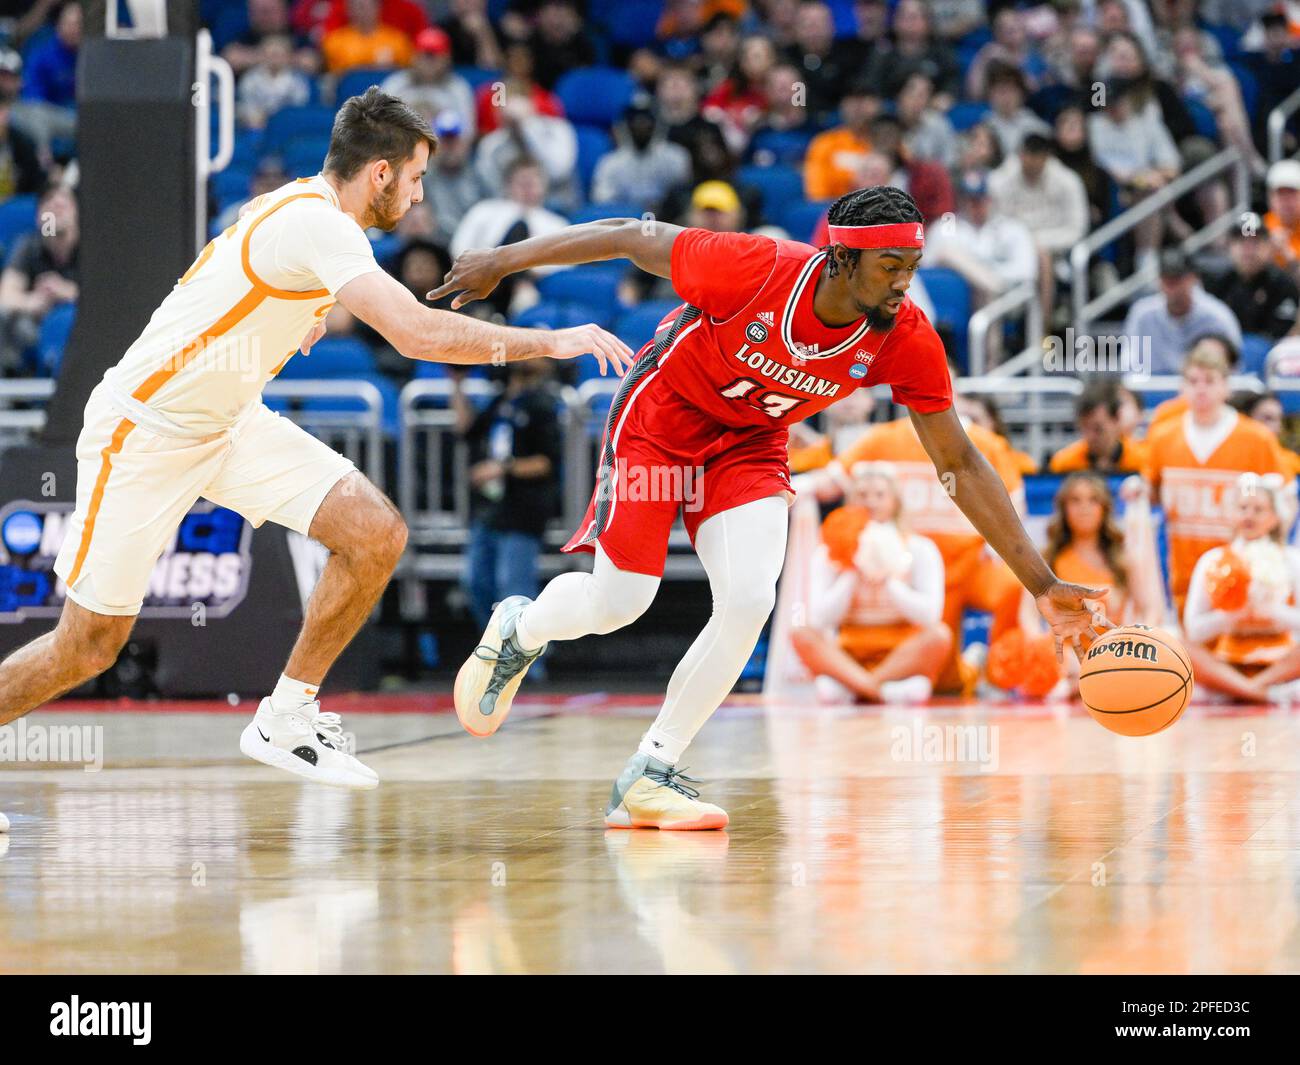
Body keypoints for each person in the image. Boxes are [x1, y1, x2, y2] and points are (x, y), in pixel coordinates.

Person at [0, 89, 632, 798]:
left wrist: (285, 320)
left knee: (375, 533)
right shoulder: (315, 224)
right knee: (88, 645)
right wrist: (549, 341)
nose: (422, 193)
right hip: (144, 433)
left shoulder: (301, 209)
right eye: (417, 176)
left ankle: (288, 715)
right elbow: (416, 333)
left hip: (230, 421)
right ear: (382, 173)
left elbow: (242, 275)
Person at [431, 184, 1104, 831]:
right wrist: (503, 260)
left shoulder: (907, 336)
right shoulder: (757, 267)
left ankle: (650, 772)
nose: (905, 283)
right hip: (662, 420)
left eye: (912, 267)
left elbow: (958, 463)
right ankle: (520, 628)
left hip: (749, 445)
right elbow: (628, 236)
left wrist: (1042, 584)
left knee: (751, 598)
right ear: (842, 258)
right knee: (621, 601)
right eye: (890, 266)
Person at [1140, 342, 1287, 617]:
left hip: (1244, 577)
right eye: (1193, 381)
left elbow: (1283, 501)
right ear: (1182, 387)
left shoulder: (1256, 438)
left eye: (1210, 381)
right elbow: (1150, 493)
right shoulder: (1163, 437)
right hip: (1181, 577)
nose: (1201, 389)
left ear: (1226, 386)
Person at [790, 464, 951, 704]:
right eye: (862, 496)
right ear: (851, 500)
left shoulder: (921, 549)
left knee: (940, 636)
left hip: (901, 652)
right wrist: (852, 570)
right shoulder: (828, 553)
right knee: (800, 633)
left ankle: (855, 687)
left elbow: (930, 615)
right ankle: (882, 690)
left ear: (895, 501)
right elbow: (820, 618)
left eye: (879, 495)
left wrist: (888, 576)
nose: (871, 503)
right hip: (849, 652)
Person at [452, 360, 563, 631]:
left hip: (523, 511)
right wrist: (457, 382)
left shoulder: (542, 405)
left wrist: (502, 468)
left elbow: (546, 462)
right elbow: (466, 429)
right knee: (475, 582)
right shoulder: (500, 400)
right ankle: (495, 651)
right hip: (489, 510)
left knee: (514, 590)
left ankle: (528, 664)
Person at [1182, 474, 1300, 702]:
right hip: (1228, 661)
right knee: (1176, 643)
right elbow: (1194, 629)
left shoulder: (1291, 559)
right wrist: (1235, 615)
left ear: (1275, 517)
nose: (1249, 515)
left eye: (1258, 509)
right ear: (1232, 514)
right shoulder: (1213, 560)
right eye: (1243, 508)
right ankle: (1262, 693)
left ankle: (1243, 690)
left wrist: (1270, 611)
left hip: (1281, 661)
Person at [1122, 248, 1242, 375]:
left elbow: (1234, 368)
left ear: (1194, 278)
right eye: (1167, 279)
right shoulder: (1142, 314)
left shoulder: (1217, 316)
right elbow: (1129, 365)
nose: (1172, 286)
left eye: (1178, 279)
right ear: (1159, 280)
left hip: (1203, 388)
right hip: (1153, 389)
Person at [0, 183, 78, 373]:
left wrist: (67, 292)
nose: (56, 204)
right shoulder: (30, 246)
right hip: (35, 329)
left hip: (81, 330)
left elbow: (110, 297)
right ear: (39, 217)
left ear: (78, 213)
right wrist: (33, 302)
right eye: (49, 202)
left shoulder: (92, 247)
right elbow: (5, 296)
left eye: (64, 202)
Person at [591, 94, 691, 212]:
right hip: (626, 223)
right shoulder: (610, 163)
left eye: (646, 120)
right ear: (624, 126)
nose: (641, 124)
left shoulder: (675, 157)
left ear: (658, 124)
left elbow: (685, 197)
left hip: (669, 222)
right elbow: (602, 203)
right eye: (635, 121)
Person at [1205, 223, 1300, 342]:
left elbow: (1283, 331)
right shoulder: (1219, 280)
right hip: (1225, 347)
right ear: (1229, 247)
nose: (1248, 250)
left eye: (1256, 243)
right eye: (1241, 242)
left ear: (1269, 247)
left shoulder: (1282, 283)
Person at [380, 26, 475, 138]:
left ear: (446, 59)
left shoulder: (458, 88)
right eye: (424, 55)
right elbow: (379, 127)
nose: (428, 61)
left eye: (433, 56)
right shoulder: (396, 84)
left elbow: (466, 134)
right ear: (414, 56)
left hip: (443, 151)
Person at [1048, 381, 1147, 474]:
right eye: (1084, 428)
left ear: (1117, 418)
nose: (1090, 436)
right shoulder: (1064, 464)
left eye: (1098, 429)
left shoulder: (1143, 461)